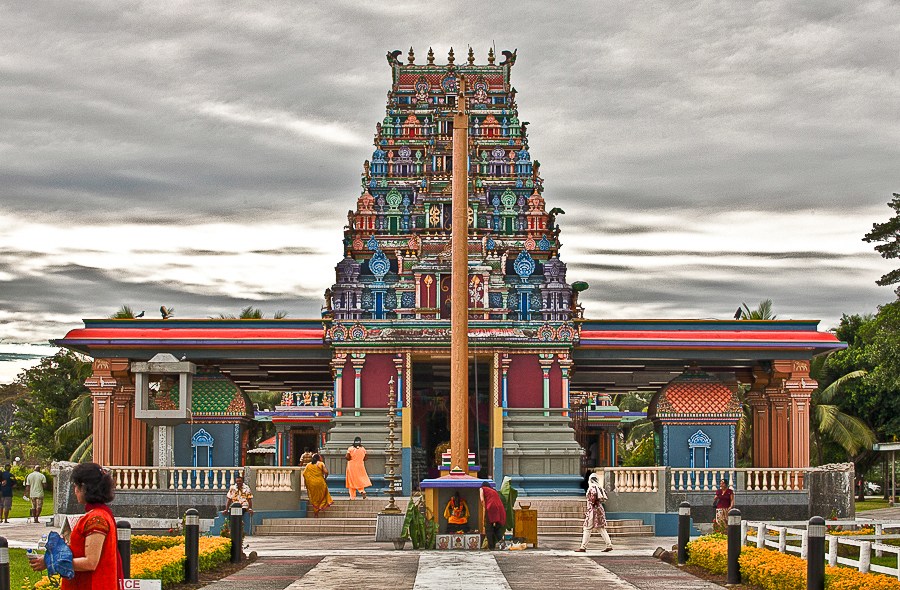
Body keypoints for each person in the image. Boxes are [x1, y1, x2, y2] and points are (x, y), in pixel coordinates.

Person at [30, 462, 123, 589]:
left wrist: (52, 562)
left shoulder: (96, 519)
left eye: (75, 486)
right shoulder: (99, 514)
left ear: (84, 487)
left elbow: (90, 562)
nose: (74, 492)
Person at [575, 472, 613, 552]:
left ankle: (583, 547)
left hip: (593, 510)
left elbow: (594, 495)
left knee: (587, 528)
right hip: (599, 509)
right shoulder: (599, 487)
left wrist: (592, 502)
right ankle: (609, 544)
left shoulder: (592, 487)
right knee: (601, 528)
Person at [480, 481, 506, 550]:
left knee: (488, 528)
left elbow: (482, 500)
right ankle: (503, 544)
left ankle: (491, 547)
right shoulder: (494, 491)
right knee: (496, 528)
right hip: (499, 508)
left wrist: (485, 508)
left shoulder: (482, 488)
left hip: (490, 507)